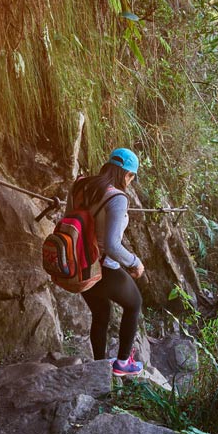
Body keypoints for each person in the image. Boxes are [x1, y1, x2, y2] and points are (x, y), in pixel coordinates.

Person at [68, 147, 145, 376]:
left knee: (101, 313)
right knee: (135, 304)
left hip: (80, 265)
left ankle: (99, 366)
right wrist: (134, 262)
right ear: (126, 174)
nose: (130, 181)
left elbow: (69, 220)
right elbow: (112, 246)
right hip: (103, 268)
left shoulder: (81, 185)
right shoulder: (118, 198)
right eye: (131, 176)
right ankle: (122, 363)